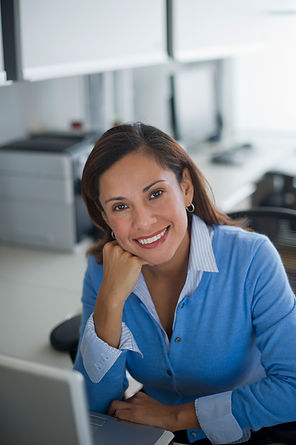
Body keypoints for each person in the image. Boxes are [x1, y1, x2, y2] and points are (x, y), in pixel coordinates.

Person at [74, 122, 296, 445]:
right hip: (153, 433)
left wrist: (176, 416)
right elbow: (92, 413)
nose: (143, 222)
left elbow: (292, 387)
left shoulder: (252, 259)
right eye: (120, 206)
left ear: (186, 188)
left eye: (155, 193)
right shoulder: (102, 273)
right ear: (104, 217)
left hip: (253, 428)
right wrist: (110, 300)